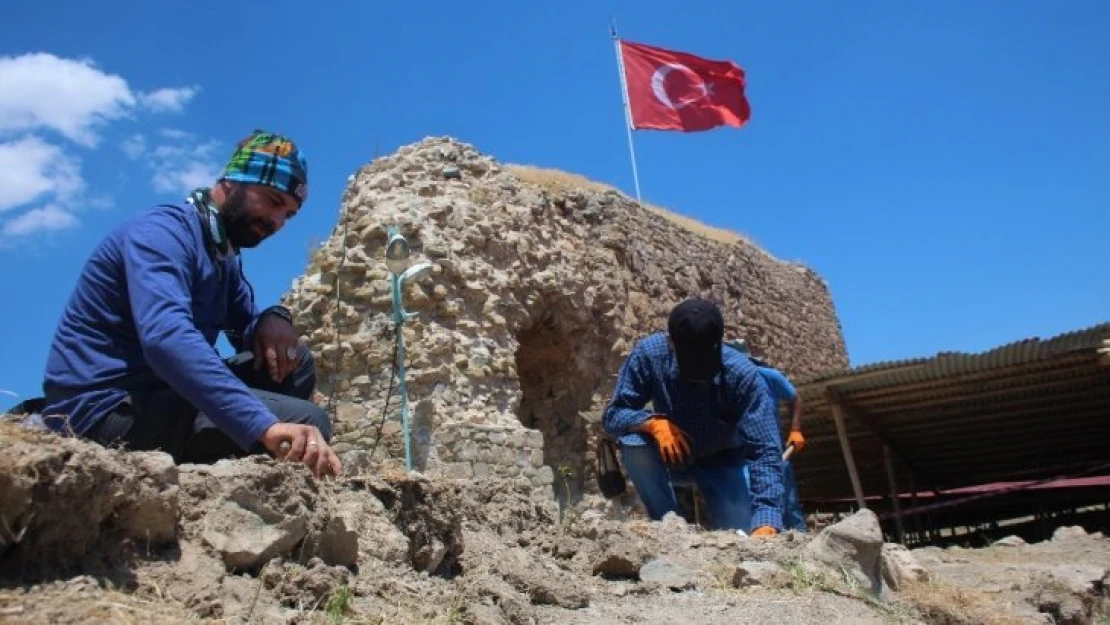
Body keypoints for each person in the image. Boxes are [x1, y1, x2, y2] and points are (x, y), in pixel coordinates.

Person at [37, 129, 342, 479]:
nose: (276, 222)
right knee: (306, 421)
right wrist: (265, 425)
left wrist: (274, 317)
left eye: (288, 215)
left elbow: (246, 329)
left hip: (162, 394)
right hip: (105, 408)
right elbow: (167, 338)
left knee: (295, 361)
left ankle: (245, 471)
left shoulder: (222, 256)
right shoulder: (163, 234)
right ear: (233, 182)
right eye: (273, 201)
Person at [602, 297, 785, 535]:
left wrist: (766, 520)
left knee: (744, 530)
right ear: (671, 343)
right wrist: (651, 424)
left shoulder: (744, 376)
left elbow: (765, 450)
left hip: (725, 460)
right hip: (674, 457)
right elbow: (613, 416)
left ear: (719, 343)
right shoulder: (650, 355)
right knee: (635, 446)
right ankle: (666, 530)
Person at [735, 340, 807, 531]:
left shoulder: (766, 375)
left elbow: (795, 398)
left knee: (788, 503)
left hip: (771, 450)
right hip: (740, 452)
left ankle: (801, 545)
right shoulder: (725, 381)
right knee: (750, 500)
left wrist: (795, 430)